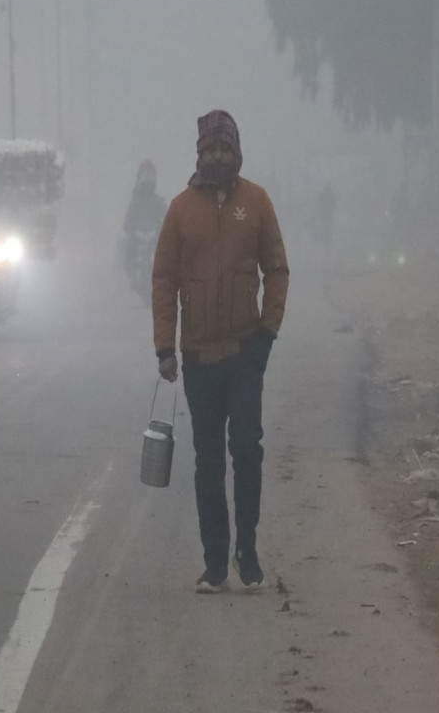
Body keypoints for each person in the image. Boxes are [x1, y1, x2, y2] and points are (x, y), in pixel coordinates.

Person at [151, 110, 290, 593]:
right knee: (207, 459)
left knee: (247, 450)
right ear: (198, 153)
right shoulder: (179, 210)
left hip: (244, 353)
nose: (217, 157)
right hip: (197, 357)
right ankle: (215, 563)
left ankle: (247, 554)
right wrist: (164, 347)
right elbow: (164, 280)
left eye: (225, 149)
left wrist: (267, 333)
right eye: (210, 149)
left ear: (237, 151)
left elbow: (277, 270)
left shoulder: (256, 203)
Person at [123, 160, 168, 302]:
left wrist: (167, 226)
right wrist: (128, 226)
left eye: (151, 178)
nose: (149, 182)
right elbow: (129, 218)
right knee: (127, 246)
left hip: (154, 236)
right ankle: (131, 273)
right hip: (138, 236)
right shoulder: (136, 201)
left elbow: (166, 216)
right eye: (146, 177)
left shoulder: (158, 201)